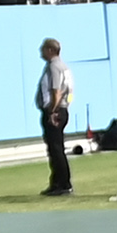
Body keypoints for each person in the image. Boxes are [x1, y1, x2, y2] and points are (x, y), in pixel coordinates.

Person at [36, 37, 74, 195]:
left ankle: (62, 183)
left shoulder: (54, 67)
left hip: (55, 111)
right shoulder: (63, 66)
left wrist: (52, 111)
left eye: (43, 49)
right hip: (62, 109)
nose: (40, 52)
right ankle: (59, 182)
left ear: (50, 50)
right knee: (57, 148)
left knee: (56, 149)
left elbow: (56, 90)